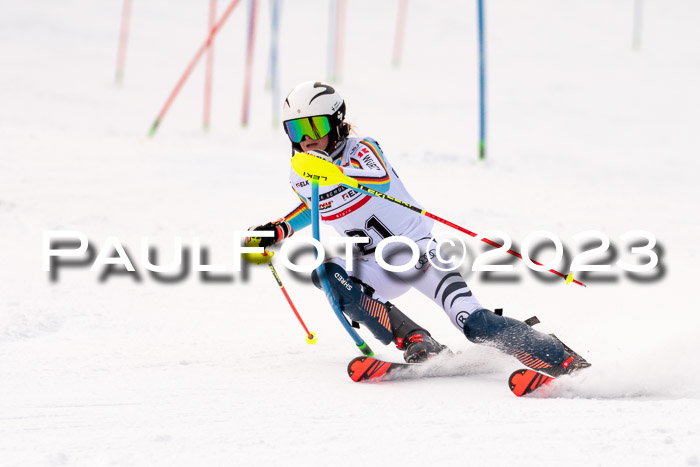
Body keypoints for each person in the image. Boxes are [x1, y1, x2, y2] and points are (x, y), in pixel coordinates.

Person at [246, 81, 589, 375]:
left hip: (421, 256)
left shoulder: (363, 150)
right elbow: (313, 206)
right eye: (296, 131)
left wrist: (334, 175)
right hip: (371, 267)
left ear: (336, 123)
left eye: (315, 127)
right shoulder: (300, 174)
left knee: (476, 325)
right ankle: (416, 340)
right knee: (327, 273)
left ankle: (565, 361)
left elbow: (377, 180)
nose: (306, 140)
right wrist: (278, 230)